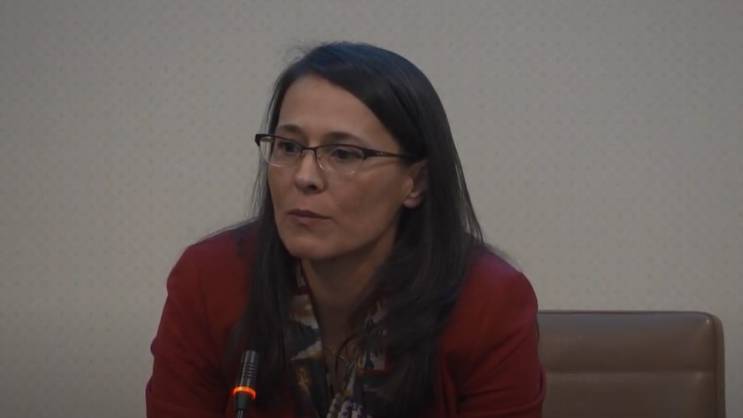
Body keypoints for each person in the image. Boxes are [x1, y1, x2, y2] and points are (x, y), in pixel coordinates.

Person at [146, 41, 544, 418]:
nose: (304, 176)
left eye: (343, 153)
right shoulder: (209, 281)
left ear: (416, 182)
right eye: (288, 147)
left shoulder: (488, 305)